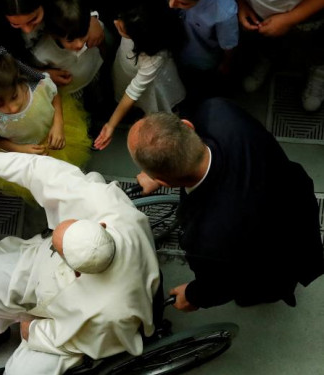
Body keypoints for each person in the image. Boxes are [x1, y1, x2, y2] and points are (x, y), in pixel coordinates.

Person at [0, 123, 160, 375]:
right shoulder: (100, 203)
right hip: (47, 271)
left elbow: (88, 340)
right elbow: (38, 169)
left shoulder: (114, 309)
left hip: (72, 323)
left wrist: (36, 332)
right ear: (98, 224)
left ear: (76, 268)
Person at [127, 98, 324, 310]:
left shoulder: (204, 238)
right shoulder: (218, 112)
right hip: (295, 206)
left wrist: (193, 296)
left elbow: (221, 285)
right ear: (188, 125)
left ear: (163, 182)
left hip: (266, 260)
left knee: (269, 283)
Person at [0, 52, 92, 199]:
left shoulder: (40, 86)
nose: (12, 108)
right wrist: (19, 149)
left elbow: (54, 95)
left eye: (14, 96)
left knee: (64, 168)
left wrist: (58, 124)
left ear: (20, 81)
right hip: (23, 152)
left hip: (52, 132)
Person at [94, 0, 186, 150]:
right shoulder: (140, 17)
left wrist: (111, 125)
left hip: (151, 85)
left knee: (154, 107)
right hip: (126, 69)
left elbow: (134, 90)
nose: (116, 22)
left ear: (141, 38)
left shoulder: (154, 57)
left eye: (122, 27)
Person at [236, 0, 324, 111]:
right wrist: (240, 4)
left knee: (314, 42)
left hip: (308, 11)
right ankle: (267, 57)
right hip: (258, 11)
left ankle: (319, 70)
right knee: (267, 39)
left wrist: (290, 19)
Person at [168, 0, 239, 100]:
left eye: (184, 3)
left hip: (201, 63)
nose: (171, 5)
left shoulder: (224, 12)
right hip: (176, 51)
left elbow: (229, 46)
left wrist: (225, 65)